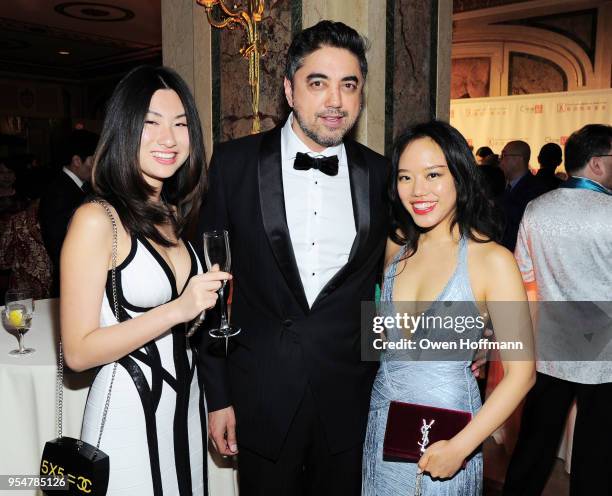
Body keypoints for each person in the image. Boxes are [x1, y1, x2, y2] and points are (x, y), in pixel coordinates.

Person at [198, 21, 389, 495]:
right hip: (260, 393)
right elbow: (210, 288)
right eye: (318, 83)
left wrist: (462, 336)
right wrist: (217, 396)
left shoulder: (381, 174)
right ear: (288, 89)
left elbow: (406, 274)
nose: (336, 101)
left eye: (349, 85)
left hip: (350, 397)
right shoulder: (233, 164)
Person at [60, 66, 230, 495]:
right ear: (124, 129)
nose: (168, 138)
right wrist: (178, 309)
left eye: (180, 124)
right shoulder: (97, 220)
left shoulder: (172, 215)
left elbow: (185, 331)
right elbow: (78, 352)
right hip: (126, 413)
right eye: (150, 123)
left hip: (185, 406)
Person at [362, 120, 535, 495]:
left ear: (459, 175)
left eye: (433, 174)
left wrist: (461, 446)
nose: (417, 190)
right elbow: (378, 338)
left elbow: (523, 374)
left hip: (451, 434)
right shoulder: (396, 249)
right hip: (384, 424)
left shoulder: (492, 261)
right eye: (405, 178)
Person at [503, 124, 612, 496]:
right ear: (597, 164)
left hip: (550, 343)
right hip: (605, 353)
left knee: (535, 442)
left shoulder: (537, 207)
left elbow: (524, 276)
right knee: (596, 451)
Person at [39, 129, 98, 296]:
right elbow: (61, 247)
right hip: (72, 285)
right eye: (93, 160)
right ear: (77, 161)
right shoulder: (59, 193)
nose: (97, 166)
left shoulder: (79, 187)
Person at [498, 140, 548, 251]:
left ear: (518, 159)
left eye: (504, 156)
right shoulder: (502, 187)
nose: (500, 161)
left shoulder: (536, 191)